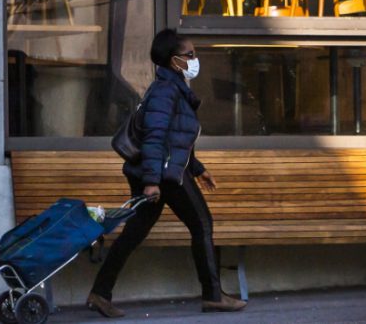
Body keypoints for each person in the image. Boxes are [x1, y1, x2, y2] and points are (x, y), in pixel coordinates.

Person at [86, 29, 247, 317]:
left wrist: (198, 169)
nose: (195, 59)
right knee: (202, 224)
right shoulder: (165, 91)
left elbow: (176, 139)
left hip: (162, 170)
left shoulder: (173, 90)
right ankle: (213, 295)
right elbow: (155, 137)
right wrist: (151, 182)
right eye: (190, 55)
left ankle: (100, 293)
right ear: (175, 61)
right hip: (163, 174)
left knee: (134, 232)